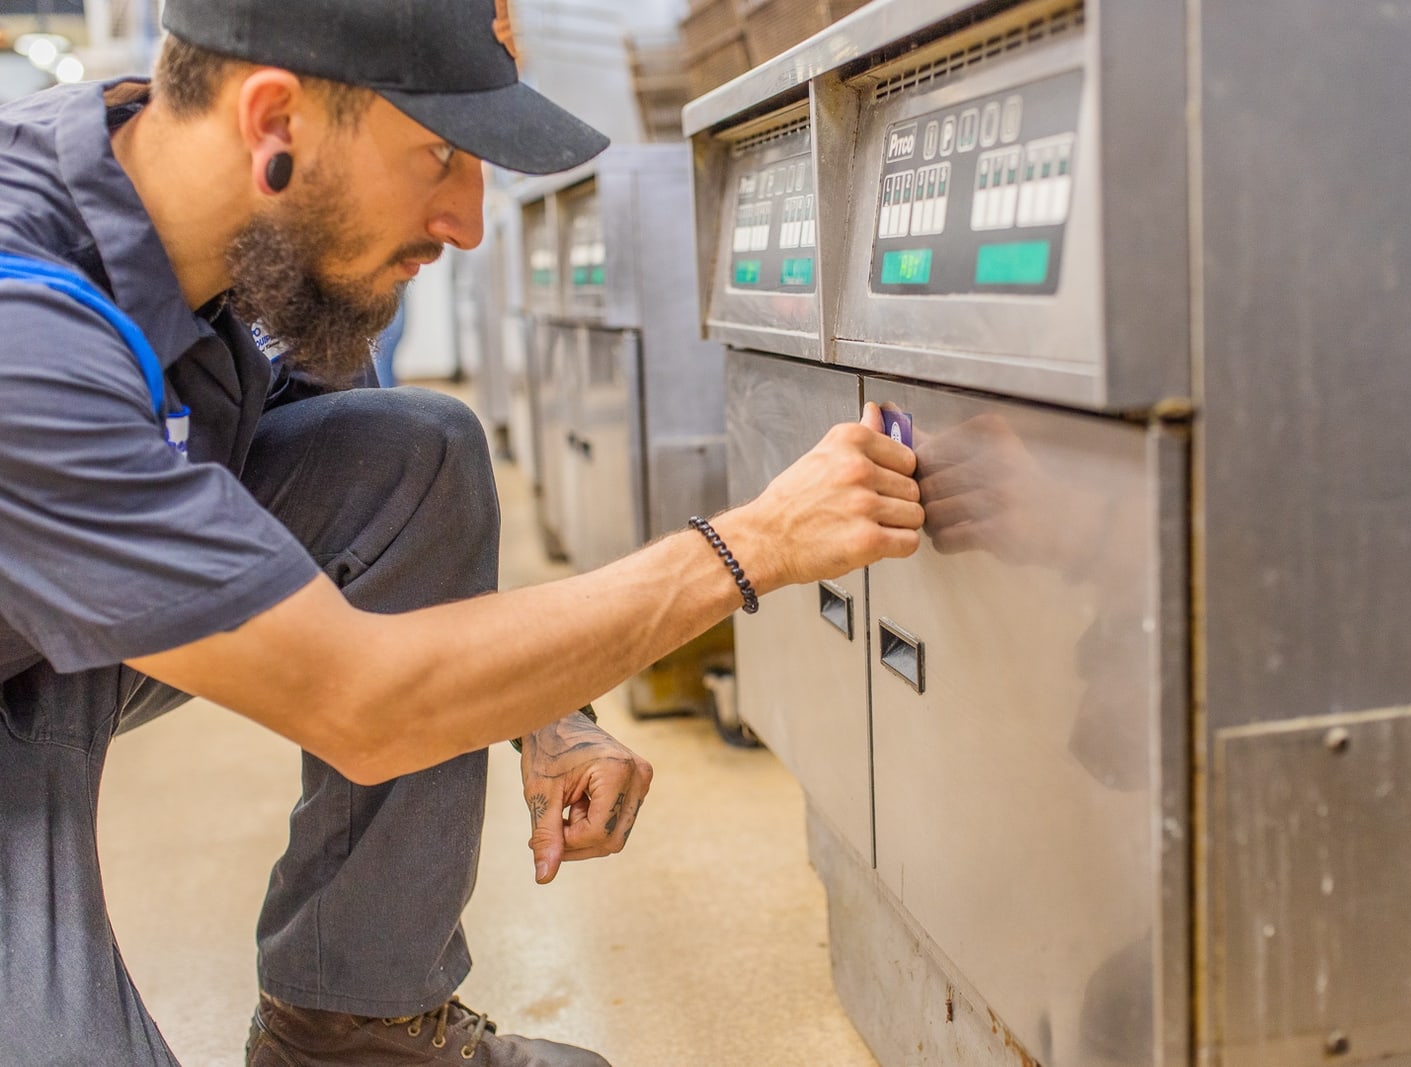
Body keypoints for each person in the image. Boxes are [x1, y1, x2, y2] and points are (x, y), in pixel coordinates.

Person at [0, 0, 924, 1064]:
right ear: (274, 125)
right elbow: (360, 698)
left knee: (412, 448)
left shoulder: (238, 238)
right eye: (437, 155)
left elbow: (389, 517)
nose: (469, 220)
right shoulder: (28, 333)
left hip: (52, 625)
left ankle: (356, 1027)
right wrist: (748, 544)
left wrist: (551, 711)